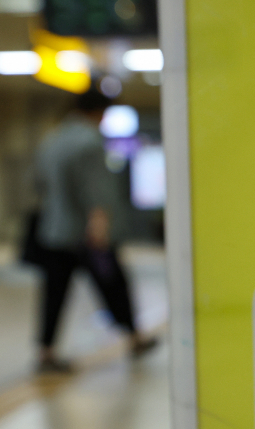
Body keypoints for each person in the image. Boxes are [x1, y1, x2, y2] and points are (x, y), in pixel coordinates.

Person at [34, 88, 156, 372]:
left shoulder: (52, 139)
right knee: (113, 283)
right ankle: (135, 338)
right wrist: (100, 226)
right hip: (87, 233)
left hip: (54, 230)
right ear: (99, 112)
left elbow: (38, 183)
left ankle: (46, 352)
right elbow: (96, 190)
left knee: (54, 292)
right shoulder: (89, 141)